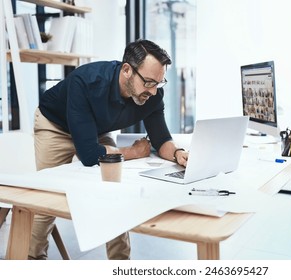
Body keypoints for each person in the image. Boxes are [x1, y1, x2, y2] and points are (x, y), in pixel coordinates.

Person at [29, 39, 189, 260]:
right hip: (55, 126)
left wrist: (178, 154)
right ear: (126, 70)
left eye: (159, 83)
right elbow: (88, 155)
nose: (153, 91)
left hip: (95, 128)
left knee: (114, 193)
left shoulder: (152, 95)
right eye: (149, 82)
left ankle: (120, 265)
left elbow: (162, 139)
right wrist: (133, 152)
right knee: (46, 198)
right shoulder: (86, 81)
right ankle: (30, 261)